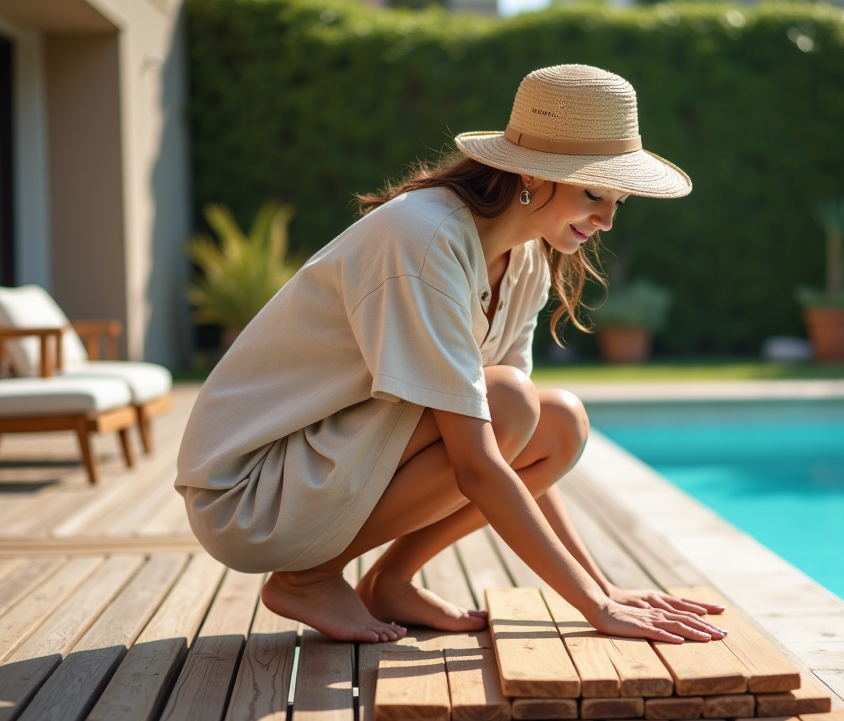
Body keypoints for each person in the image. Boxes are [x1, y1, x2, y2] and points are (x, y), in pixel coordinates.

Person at [175, 64, 727, 645]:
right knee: (510, 402)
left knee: (559, 421)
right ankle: (307, 577)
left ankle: (391, 581)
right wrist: (594, 607)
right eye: (594, 193)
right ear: (532, 176)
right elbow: (479, 462)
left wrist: (604, 585)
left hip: (325, 465)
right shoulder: (423, 239)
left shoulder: (529, 261)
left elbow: (519, 447)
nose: (608, 218)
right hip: (251, 492)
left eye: (618, 200)